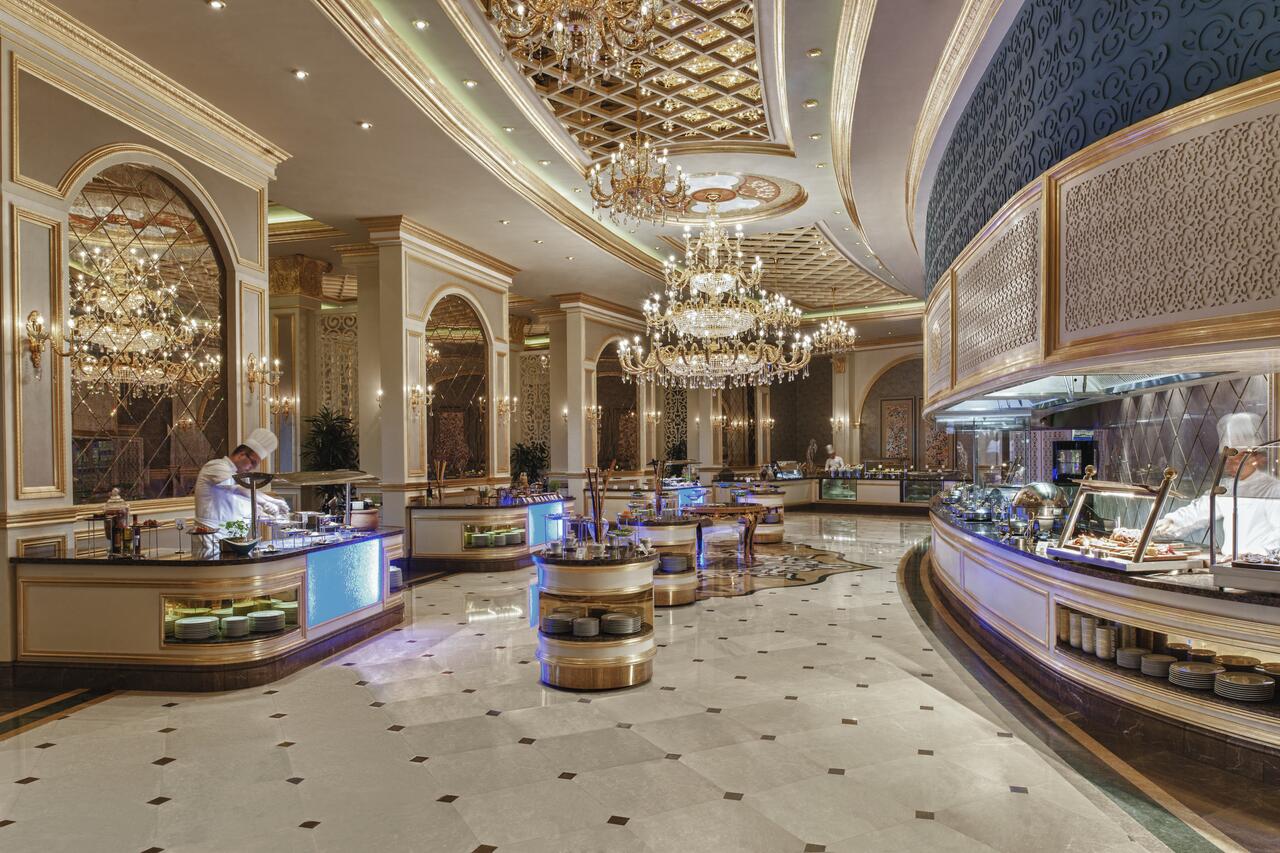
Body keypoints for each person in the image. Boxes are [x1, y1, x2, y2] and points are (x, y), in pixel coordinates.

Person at [1152, 413, 1280, 557]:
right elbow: (1199, 512)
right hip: (1229, 563)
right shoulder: (1226, 487)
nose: (1231, 465)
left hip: (1260, 565)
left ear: (1254, 458)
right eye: (1228, 460)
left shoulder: (1273, 489)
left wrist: (1253, 555)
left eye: (1237, 460)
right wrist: (1170, 522)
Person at [194, 428, 290, 531]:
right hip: (211, 533)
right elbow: (239, 489)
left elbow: (246, 502)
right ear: (241, 455)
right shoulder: (216, 466)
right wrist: (268, 502)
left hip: (232, 534)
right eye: (253, 462)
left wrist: (270, 518)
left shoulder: (239, 477)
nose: (252, 468)